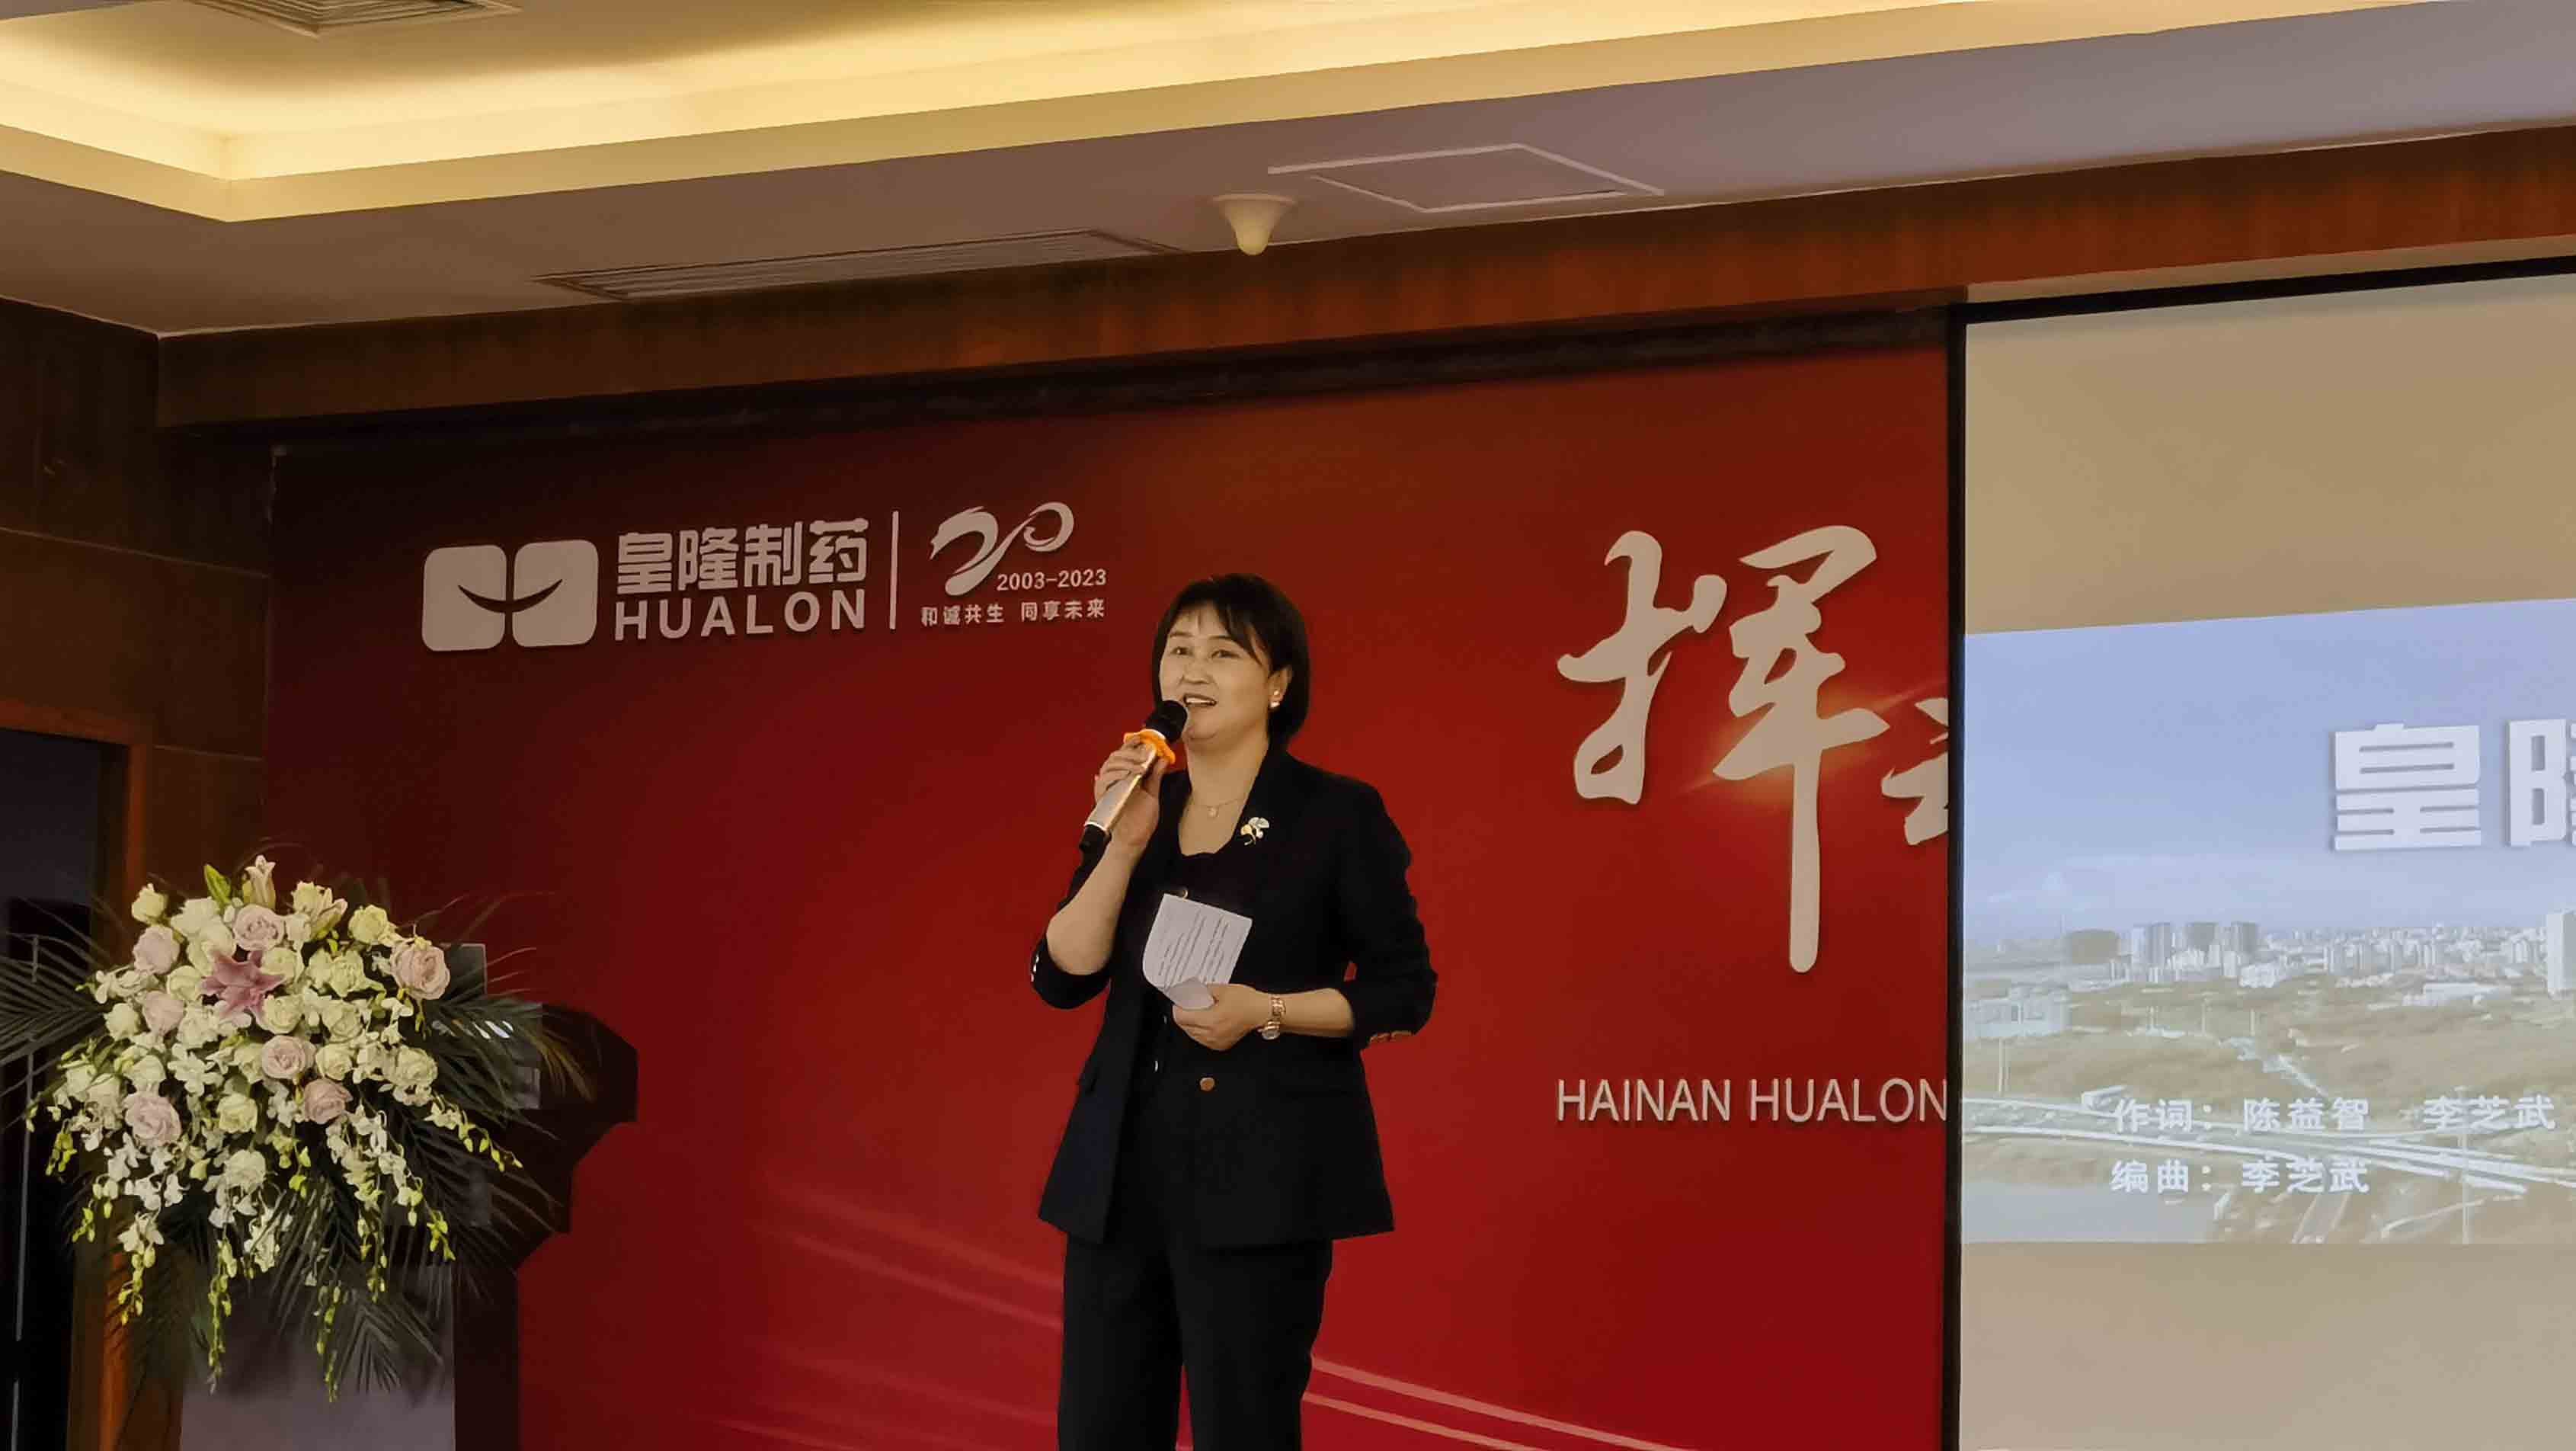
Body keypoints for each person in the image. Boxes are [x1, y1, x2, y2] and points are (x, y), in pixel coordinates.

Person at [1028, 573, 1436, 1451]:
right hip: (1119, 1175)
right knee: (1098, 1429)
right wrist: (1122, 844)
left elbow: (1404, 989)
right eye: (1178, 650)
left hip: (1260, 1177)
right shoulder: (1142, 804)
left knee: (1243, 1427)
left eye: (1223, 652)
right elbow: (1060, 975)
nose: (1192, 670)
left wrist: (1267, 1008)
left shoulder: (1334, 813)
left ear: (1278, 683)